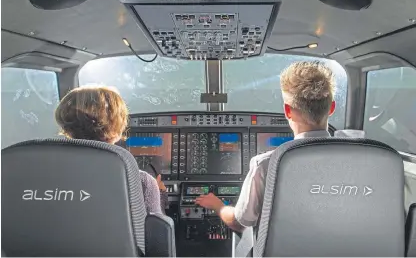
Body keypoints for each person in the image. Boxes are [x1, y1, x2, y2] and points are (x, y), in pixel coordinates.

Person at [195, 61, 336, 232]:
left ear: (288, 111)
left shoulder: (267, 164)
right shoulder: (364, 162)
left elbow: (239, 223)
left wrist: (218, 205)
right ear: (331, 108)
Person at [55, 85, 168, 214]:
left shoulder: (42, 173)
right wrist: (160, 194)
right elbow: (157, 231)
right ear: (119, 128)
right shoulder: (141, 182)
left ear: (66, 127)